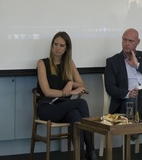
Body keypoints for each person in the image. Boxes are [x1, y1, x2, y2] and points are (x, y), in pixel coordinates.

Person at [104, 28, 142, 160]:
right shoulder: (113, 61)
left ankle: (135, 127)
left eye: (130, 41)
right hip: (130, 101)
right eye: (124, 40)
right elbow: (110, 87)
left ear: (138, 42)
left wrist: (138, 65)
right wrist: (127, 94)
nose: (126, 43)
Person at [36, 31, 97, 160]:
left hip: (63, 107)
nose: (57, 48)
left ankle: (79, 156)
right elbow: (47, 92)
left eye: (61, 45)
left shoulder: (69, 63)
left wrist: (71, 83)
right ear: (52, 45)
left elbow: (81, 83)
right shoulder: (42, 63)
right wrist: (70, 92)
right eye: (55, 44)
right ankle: (91, 151)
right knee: (81, 103)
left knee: (75, 115)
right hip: (47, 107)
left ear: (66, 48)